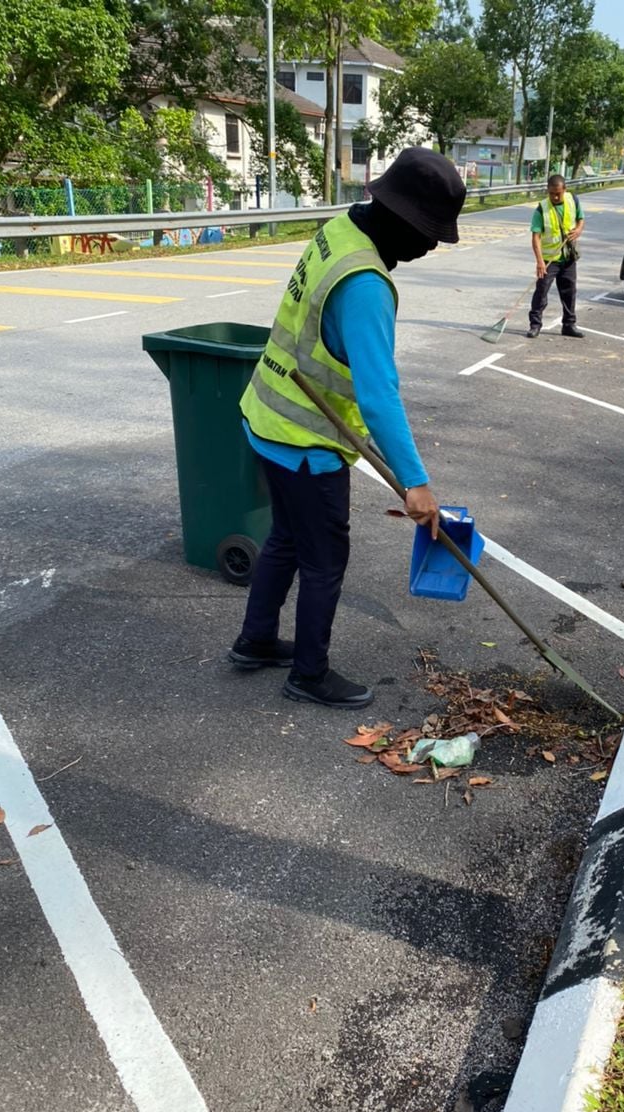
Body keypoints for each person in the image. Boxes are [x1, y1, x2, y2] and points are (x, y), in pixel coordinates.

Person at [227, 148, 466, 710]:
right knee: (324, 561)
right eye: (428, 233)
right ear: (401, 217)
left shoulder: (339, 229)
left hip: (266, 419)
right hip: (306, 445)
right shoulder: (365, 286)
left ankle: (256, 640)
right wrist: (417, 483)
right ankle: (309, 674)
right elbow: (379, 398)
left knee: (286, 539)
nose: (431, 245)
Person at [526, 174, 585, 339]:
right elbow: (535, 237)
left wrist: (579, 230)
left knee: (569, 292)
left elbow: (581, 219)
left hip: (568, 257)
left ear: (564, 190)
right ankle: (535, 325)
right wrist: (539, 262)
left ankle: (569, 325)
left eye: (558, 193)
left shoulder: (573, 200)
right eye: (552, 193)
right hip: (548, 259)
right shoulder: (541, 209)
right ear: (548, 191)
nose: (555, 197)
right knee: (541, 292)